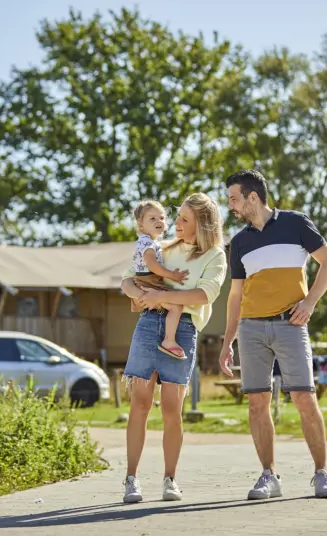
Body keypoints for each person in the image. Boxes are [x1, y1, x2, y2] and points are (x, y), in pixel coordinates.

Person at [219, 169, 327, 500]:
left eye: (233, 199)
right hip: (251, 328)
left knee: (304, 397)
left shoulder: (296, 223)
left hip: (291, 325)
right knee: (258, 404)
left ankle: (321, 474)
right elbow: (235, 296)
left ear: (252, 197)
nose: (230, 206)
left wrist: (310, 302)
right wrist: (227, 340)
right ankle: (269, 476)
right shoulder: (240, 242)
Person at [119, 193, 227, 504]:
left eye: (182, 219)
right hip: (148, 324)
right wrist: (141, 295)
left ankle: (170, 479)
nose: (174, 223)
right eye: (176, 217)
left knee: (171, 410)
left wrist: (161, 297)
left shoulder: (215, 255)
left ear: (201, 225)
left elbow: (204, 295)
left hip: (182, 330)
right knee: (139, 404)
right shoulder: (163, 247)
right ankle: (131, 479)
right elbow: (128, 280)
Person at [129, 200, 190, 360]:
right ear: (140, 225)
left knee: (173, 305)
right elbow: (153, 266)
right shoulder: (147, 243)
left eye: (161, 218)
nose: (159, 221)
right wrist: (172, 275)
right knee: (176, 307)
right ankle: (169, 341)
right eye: (152, 219)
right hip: (149, 281)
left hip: (147, 281)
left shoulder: (150, 242)